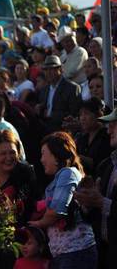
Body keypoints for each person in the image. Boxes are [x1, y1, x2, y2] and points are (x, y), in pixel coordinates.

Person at [29, 132, 97, 269]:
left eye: (43, 154)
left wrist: (38, 223)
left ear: (56, 154)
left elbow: (56, 211)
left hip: (76, 253)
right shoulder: (60, 177)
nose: (41, 160)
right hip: (64, 254)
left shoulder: (68, 173)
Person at [75, 108, 117, 269]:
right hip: (106, 253)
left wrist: (101, 202)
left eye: (114, 124)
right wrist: (88, 203)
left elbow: (104, 204)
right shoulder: (107, 165)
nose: (108, 129)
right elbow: (96, 214)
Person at [0, 130, 37, 225]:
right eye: (3, 154)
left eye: (12, 153)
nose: (9, 158)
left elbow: (30, 207)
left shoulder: (26, 173)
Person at [36, 55, 82, 133]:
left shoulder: (72, 88)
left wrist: (51, 114)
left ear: (60, 69)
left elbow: (74, 113)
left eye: (52, 69)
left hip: (63, 130)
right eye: (46, 70)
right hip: (45, 129)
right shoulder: (44, 90)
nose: (48, 72)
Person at [74, 98, 111, 175]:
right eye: (80, 114)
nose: (83, 118)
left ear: (98, 115)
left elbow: (100, 164)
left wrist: (75, 156)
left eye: (86, 113)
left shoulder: (107, 135)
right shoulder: (82, 137)